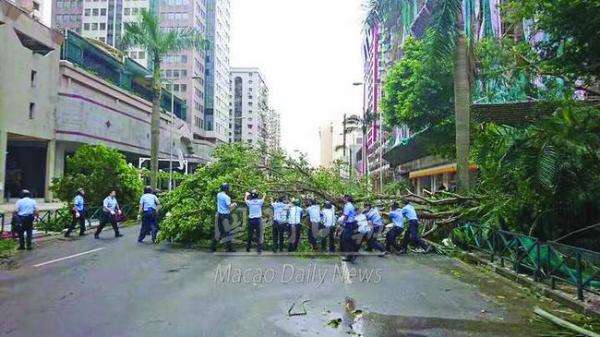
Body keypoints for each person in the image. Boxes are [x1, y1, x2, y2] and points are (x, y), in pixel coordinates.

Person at [210, 183, 237, 252]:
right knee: (227, 232)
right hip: (225, 216)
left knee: (219, 232)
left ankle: (213, 247)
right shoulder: (226, 197)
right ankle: (229, 248)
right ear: (226, 189)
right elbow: (229, 206)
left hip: (219, 215)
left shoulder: (218, 195)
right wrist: (234, 204)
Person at [338, 195, 358, 262]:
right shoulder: (350, 205)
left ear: (346, 199)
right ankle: (350, 256)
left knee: (345, 240)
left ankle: (352, 255)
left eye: (343, 198)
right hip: (351, 224)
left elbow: (345, 216)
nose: (343, 199)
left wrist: (341, 224)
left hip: (349, 224)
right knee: (348, 240)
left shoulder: (348, 206)